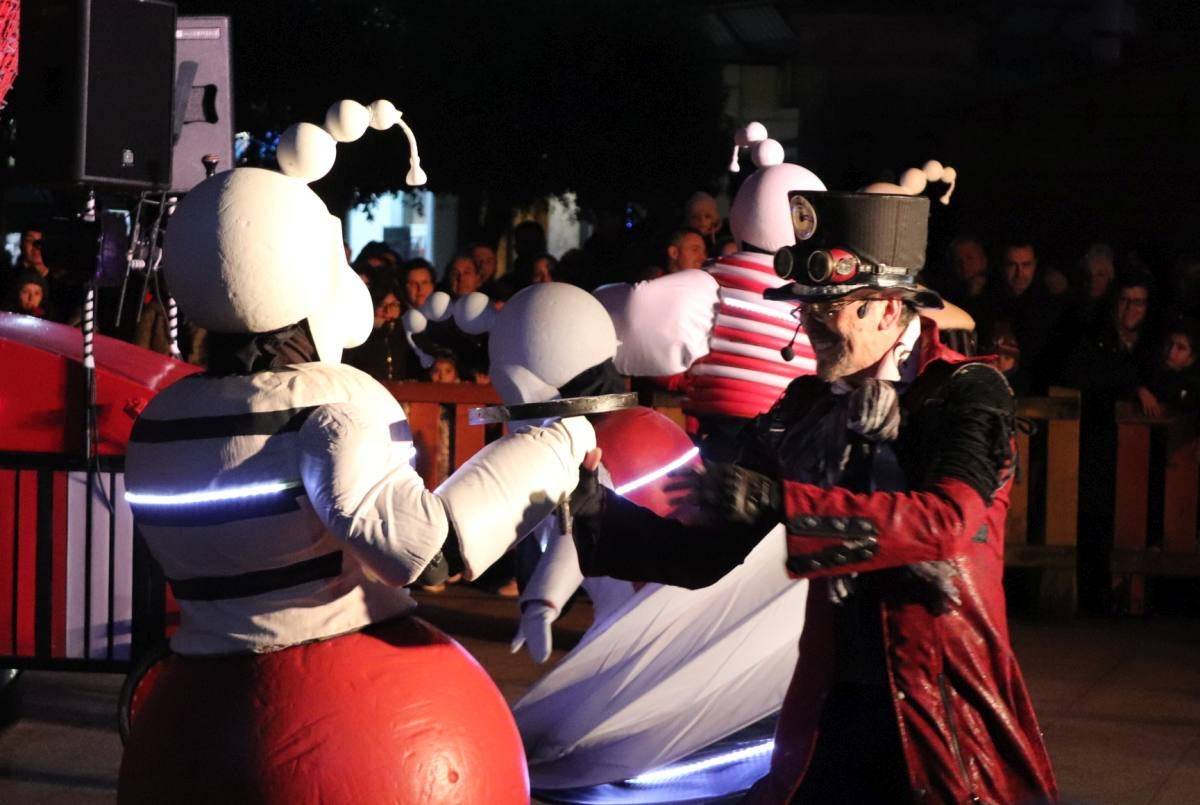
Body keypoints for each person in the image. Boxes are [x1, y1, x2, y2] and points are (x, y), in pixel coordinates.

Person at [117, 98, 594, 804]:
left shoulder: (159, 420)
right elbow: (425, 550)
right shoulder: (325, 409)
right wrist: (558, 445)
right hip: (342, 728)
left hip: (191, 716)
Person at [568, 188, 1057, 804]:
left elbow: (947, 522)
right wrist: (589, 507)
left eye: (832, 307)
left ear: (886, 308)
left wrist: (783, 504)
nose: (810, 327)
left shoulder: (966, 390)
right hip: (837, 698)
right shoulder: (803, 408)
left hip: (942, 701)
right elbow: (701, 554)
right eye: (807, 309)